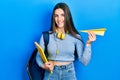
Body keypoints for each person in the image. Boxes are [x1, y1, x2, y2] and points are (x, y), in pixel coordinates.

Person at [36, 2, 96, 80]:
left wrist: (88, 44)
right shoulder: (46, 36)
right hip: (51, 73)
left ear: (67, 16)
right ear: (53, 18)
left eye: (62, 15)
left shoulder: (75, 37)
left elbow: (84, 61)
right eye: (56, 16)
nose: (59, 19)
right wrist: (44, 66)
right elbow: (38, 57)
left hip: (69, 73)